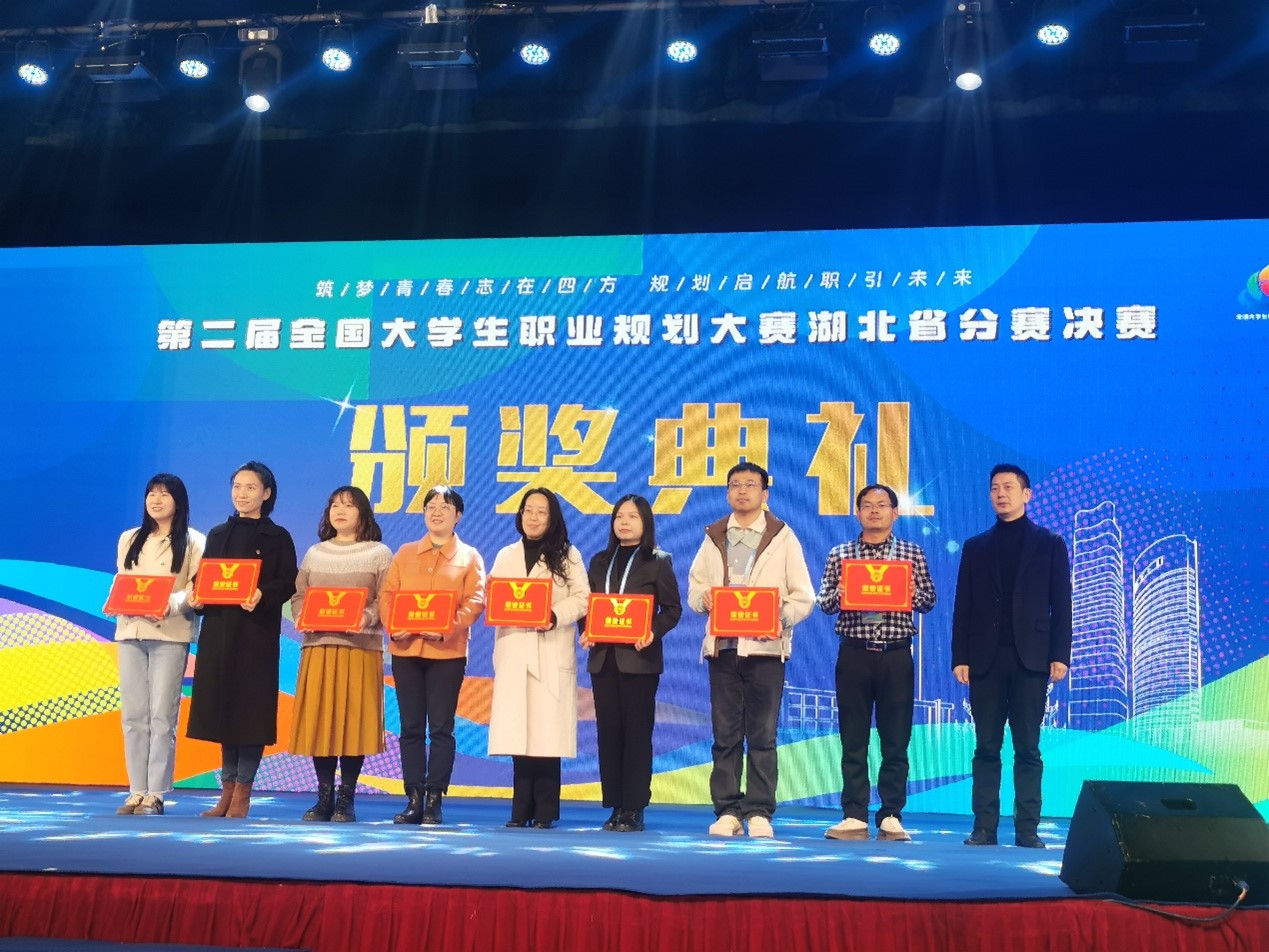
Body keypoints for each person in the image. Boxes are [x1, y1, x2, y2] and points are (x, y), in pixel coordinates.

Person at [687, 462, 814, 838]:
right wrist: (705, 598)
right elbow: (695, 588)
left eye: (750, 484)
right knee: (725, 734)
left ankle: (759, 810)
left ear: (765, 494)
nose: (742, 490)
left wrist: (779, 618)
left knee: (762, 734)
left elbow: (804, 596)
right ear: (727, 493)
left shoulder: (783, 537)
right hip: (723, 649)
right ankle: (727, 810)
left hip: (766, 650)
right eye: (735, 484)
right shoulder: (714, 536)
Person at [952, 463, 1072, 848]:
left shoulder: (1050, 543)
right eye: (994, 488)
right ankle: (984, 827)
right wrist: (960, 656)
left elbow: (1062, 604)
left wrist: (1060, 654)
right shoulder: (975, 547)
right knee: (986, 747)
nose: (1000, 494)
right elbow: (963, 605)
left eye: (1008, 487)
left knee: (1028, 747)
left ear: (1026, 494)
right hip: (985, 659)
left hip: (1031, 659)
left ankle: (1027, 828)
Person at [816, 484, 936, 842]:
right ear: (857, 513)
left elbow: (929, 600)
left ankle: (891, 814)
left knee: (895, 740)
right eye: (867, 505)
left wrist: (910, 592)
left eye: (882, 505)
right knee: (853, 739)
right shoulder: (840, 554)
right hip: (853, 654)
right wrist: (843, 592)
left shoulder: (911, 553)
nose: (874, 511)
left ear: (895, 513)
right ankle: (854, 814)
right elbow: (824, 603)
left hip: (895, 654)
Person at [187, 461, 297, 819]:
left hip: (255, 634)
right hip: (219, 632)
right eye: (237, 486)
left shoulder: (277, 537)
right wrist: (198, 596)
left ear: (266, 493)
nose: (242, 493)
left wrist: (263, 594)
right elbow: (205, 578)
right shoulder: (218, 534)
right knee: (224, 710)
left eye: (250, 487)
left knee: (250, 713)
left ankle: (243, 792)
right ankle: (226, 791)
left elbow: (288, 581)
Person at [378, 485, 486, 826]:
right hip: (406, 650)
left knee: (441, 727)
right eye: (431, 506)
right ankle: (413, 797)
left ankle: (435, 798)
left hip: (447, 652)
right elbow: (388, 595)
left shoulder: (469, 556)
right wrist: (394, 626)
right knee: (410, 727)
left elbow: (475, 601)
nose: (437, 512)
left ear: (458, 516)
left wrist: (447, 628)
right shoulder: (405, 553)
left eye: (445, 507)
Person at [289, 486, 393, 823]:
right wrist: (302, 616)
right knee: (321, 721)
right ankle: (324, 797)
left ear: (363, 513)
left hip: (360, 648)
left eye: (348, 505)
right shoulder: (315, 553)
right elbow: (299, 596)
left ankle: (346, 798)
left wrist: (366, 617)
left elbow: (386, 598)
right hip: (318, 646)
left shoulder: (379, 553)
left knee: (353, 722)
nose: (340, 511)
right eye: (334, 505)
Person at [487, 488, 590, 829]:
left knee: (547, 734)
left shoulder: (568, 555)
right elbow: (495, 598)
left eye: (541, 512)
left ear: (552, 517)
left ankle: (545, 811)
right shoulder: (506, 555)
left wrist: (554, 615)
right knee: (519, 733)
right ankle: (520, 811)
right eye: (527, 510)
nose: (533, 517)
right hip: (515, 650)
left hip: (550, 648)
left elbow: (583, 598)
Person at [580, 494, 682, 833]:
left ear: (646, 522)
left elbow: (672, 609)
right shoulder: (599, 561)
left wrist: (652, 632)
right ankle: (615, 805)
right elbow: (588, 606)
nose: (624, 522)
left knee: (637, 735)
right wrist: (586, 631)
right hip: (603, 659)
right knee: (609, 735)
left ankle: (635, 807)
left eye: (633, 517)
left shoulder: (658, 561)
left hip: (640, 660)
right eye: (619, 516)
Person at [110, 474, 205, 817]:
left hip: (170, 633)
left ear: (178, 502)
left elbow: (197, 590)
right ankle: (136, 790)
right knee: (134, 714)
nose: (156, 500)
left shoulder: (194, 541)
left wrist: (170, 604)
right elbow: (123, 580)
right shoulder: (129, 538)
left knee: (162, 715)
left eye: (164, 495)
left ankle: (156, 794)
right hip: (130, 631)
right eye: (151, 493)